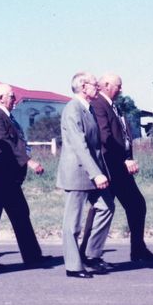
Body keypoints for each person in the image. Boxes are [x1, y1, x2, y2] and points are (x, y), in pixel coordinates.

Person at [90, 73, 153, 265]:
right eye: (118, 86)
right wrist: (124, 160)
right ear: (105, 85)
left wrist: (128, 157)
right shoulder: (98, 105)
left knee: (135, 205)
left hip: (120, 165)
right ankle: (88, 255)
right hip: (111, 167)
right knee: (103, 210)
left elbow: (123, 135)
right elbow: (106, 138)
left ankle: (138, 250)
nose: (121, 89)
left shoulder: (113, 106)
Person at [0, 83, 49, 268]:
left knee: (20, 214)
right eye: (11, 96)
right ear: (1, 98)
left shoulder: (8, 117)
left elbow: (17, 141)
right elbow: (7, 143)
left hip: (10, 178)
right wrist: (29, 161)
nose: (14, 99)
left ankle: (33, 256)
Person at [56, 71, 114, 279]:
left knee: (106, 207)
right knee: (73, 222)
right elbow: (79, 146)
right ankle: (73, 266)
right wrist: (96, 173)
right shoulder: (73, 109)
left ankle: (91, 254)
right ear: (82, 86)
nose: (97, 86)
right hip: (77, 173)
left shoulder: (87, 109)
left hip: (92, 172)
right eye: (93, 83)